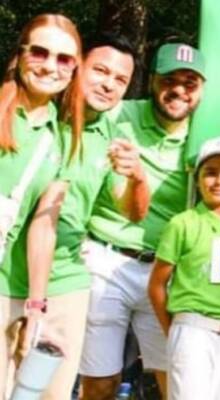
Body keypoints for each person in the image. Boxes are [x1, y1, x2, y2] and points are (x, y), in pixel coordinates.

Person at [11, 33, 146, 399]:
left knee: (50, 393)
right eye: (100, 70)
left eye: (120, 79)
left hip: (65, 284)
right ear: (75, 65)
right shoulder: (34, 114)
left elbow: (133, 213)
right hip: (8, 275)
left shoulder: (110, 137)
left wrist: (137, 178)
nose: (109, 84)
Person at [79, 42, 206, 399]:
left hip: (165, 270)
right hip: (106, 259)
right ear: (152, 80)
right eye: (169, 80)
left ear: (201, 89)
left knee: (175, 380)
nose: (178, 90)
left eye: (190, 83)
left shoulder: (205, 134)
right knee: (101, 382)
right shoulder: (119, 114)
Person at [0, 13, 84, 398]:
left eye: (64, 59)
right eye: (40, 52)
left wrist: (35, 308)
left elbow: (44, 225)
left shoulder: (64, 139)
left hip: (10, 289)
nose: (51, 66)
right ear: (20, 55)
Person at [148, 137, 220, 400]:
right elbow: (156, 285)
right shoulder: (182, 223)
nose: (219, 180)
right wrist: (174, 331)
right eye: (210, 172)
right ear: (197, 180)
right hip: (193, 329)